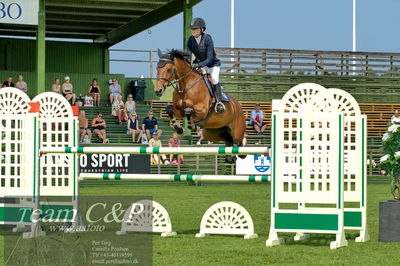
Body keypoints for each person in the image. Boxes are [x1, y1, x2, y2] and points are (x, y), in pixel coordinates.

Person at [186, 17, 225, 114]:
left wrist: (198, 64)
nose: (193, 31)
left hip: (212, 65)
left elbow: (210, 58)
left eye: (195, 29)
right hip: (201, 65)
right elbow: (189, 54)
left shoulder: (208, 39)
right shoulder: (190, 40)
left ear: (202, 29)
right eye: (192, 29)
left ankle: (218, 102)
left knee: (214, 78)